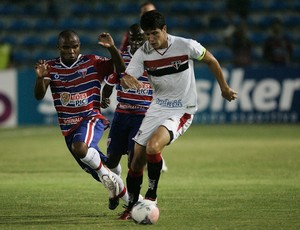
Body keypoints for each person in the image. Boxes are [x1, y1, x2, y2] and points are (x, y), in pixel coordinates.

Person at [118, 10, 238, 220]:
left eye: (154, 33)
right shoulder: (144, 52)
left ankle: (151, 198)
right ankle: (131, 207)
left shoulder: (186, 45)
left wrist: (225, 88)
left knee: (153, 147)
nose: (151, 39)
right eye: (147, 34)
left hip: (181, 109)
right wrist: (127, 80)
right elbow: (128, 76)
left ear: (165, 30)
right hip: (157, 108)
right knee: (135, 161)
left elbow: (211, 60)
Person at [34, 30, 128, 211]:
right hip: (68, 127)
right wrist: (40, 78)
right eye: (66, 47)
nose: (71, 51)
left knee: (83, 150)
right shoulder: (51, 67)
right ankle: (114, 184)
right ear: (58, 47)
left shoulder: (92, 61)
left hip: (91, 118)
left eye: (74, 46)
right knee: (98, 169)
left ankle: (135, 202)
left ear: (79, 46)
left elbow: (121, 69)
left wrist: (112, 48)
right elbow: (39, 95)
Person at [101, 23, 167, 181]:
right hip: (121, 114)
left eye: (140, 38)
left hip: (143, 117)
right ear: (128, 39)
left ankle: (134, 197)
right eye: (132, 39)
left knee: (134, 161)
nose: (136, 42)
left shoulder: (156, 58)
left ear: (147, 37)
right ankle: (118, 187)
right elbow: (110, 82)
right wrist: (105, 97)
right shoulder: (121, 59)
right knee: (111, 161)